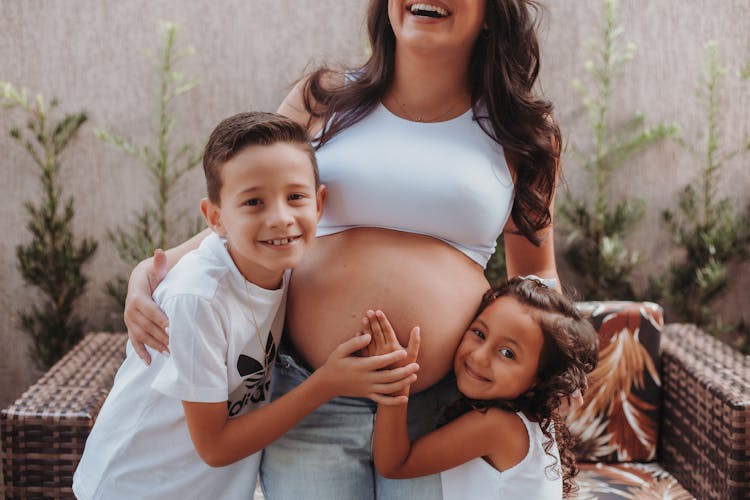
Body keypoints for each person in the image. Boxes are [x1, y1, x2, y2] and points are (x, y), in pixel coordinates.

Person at [124, 1, 566, 498]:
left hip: (437, 404)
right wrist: (150, 272)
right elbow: (250, 216)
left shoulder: (522, 132)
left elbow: (535, 278)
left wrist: (558, 377)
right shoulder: (322, 100)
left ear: (491, 12)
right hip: (310, 392)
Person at [73, 112, 419, 500]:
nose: (281, 219)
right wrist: (329, 383)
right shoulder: (199, 299)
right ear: (215, 218)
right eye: (254, 202)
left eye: (296, 197)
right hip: (137, 486)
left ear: (319, 204)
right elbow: (215, 446)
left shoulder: (283, 266)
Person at [361, 277, 598, 499]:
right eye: (479, 333)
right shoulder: (528, 419)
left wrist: (395, 378)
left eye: (507, 353)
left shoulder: (499, 426)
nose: (479, 356)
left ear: (539, 379)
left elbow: (395, 465)